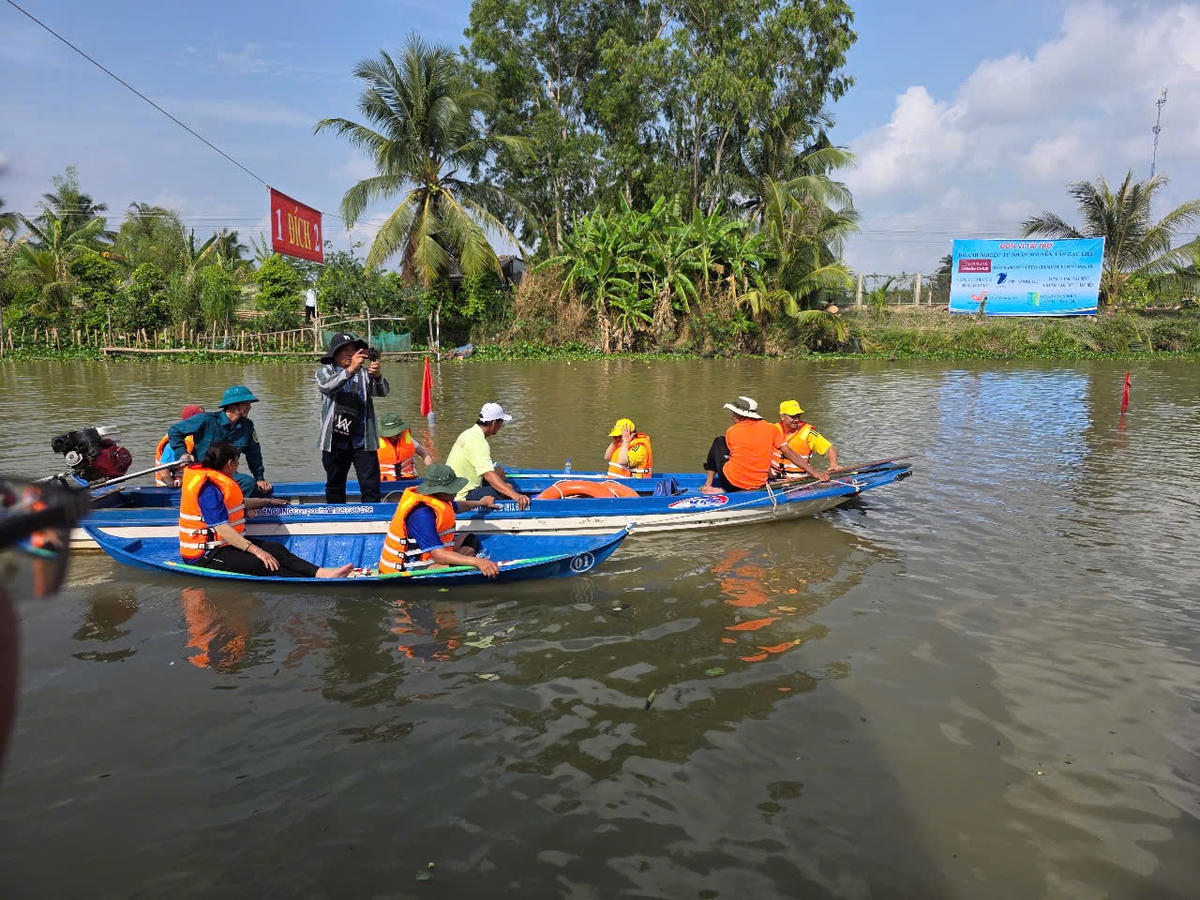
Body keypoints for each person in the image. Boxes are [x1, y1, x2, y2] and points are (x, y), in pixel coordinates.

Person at [179, 442, 351, 578]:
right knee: (261, 562)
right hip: (205, 555)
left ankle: (321, 573)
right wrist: (258, 551)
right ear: (230, 463)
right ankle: (309, 581)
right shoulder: (209, 489)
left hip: (224, 545)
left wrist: (266, 501)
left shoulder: (218, 481)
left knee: (275, 549)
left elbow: (236, 504)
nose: (238, 467)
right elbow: (222, 528)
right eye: (237, 462)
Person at [378, 464, 499, 577]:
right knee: (468, 562)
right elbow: (438, 555)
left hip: (429, 556)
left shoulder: (440, 499)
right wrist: (477, 562)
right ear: (439, 490)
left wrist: (482, 502)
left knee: (470, 539)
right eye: (453, 488)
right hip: (408, 569)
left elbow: (459, 506)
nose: (456, 491)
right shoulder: (422, 514)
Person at [315, 332, 390, 503]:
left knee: (371, 486)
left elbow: (383, 391)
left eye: (353, 350)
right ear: (334, 354)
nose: (350, 354)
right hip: (334, 440)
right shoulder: (325, 372)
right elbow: (327, 386)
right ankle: (335, 522)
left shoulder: (364, 374)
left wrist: (377, 376)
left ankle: (372, 522)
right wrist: (350, 370)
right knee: (335, 485)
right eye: (345, 351)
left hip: (362, 440)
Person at [700, 395, 829, 494]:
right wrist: (814, 473)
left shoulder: (732, 431)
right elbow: (789, 453)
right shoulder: (771, 429)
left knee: (719, 441)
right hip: (757, 484)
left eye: (733, 414)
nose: (732, 417)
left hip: (731, 484)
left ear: (740, 416)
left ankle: (708, 486)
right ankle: (721, 486)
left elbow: (734, 454)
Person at [169, 386, 273, 498]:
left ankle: (236, 508)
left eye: (249, 403)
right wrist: (182, 453)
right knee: (246, 484)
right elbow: (174, 431)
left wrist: (260, 478)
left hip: (228, 475)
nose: (249, 407)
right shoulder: (206, 420)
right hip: (202, 473)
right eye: (246, 403)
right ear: (233, 405)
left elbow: (254, 455)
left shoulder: (247, 426)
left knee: (249, 484)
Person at [445, 402, 531, 510]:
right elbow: (488, 475)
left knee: (499, 471)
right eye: (502, 422)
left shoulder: (469, 433)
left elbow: (491, 472)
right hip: (462, 495)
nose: (501, 426)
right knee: (509, 488)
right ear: (494, 423)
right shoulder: (479, 442)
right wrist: (516, 496)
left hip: (454, 487)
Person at [772, 400, 841, 480]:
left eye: (798, 416)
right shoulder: (773, 430)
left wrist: (833, 464)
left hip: (798, 480)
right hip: (774, 478)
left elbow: (830, 448)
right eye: (792, 416)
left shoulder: (808, 433)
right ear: (782, 416)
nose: (796, 420)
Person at [155, 404, 204, 487]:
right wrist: (172, 483)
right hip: (171, 490)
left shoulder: (204, 438)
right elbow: (163, 469)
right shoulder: (174, 443)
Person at [378, 413, 434, 481]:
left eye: (398, 431)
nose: (397, 434)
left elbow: (423, 453)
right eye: (393, 432)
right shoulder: (375, 443)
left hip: (409, 480)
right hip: (384, 482)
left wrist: (431, 469)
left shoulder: (408, 438)